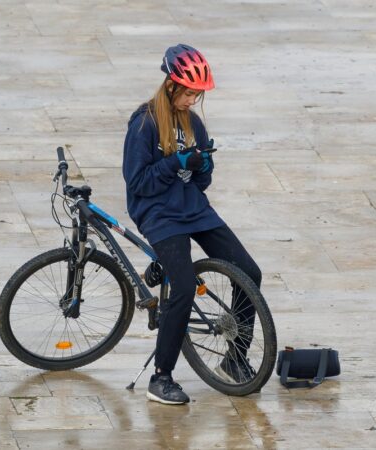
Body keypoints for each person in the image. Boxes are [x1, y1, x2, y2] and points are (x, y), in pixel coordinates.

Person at [122, 44, 261, 405]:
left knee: (249, 272)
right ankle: (161, 377)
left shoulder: (194, 123)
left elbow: (197, 184)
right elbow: (138, 184)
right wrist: (174, 162)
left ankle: (235, 356)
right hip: (159, 215)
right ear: (170, 86)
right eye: (188, 93)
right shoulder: (144, 123)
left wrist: (203, 169)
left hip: (194, 210)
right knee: (183, 286)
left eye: (197, 95)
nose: (192, 100)